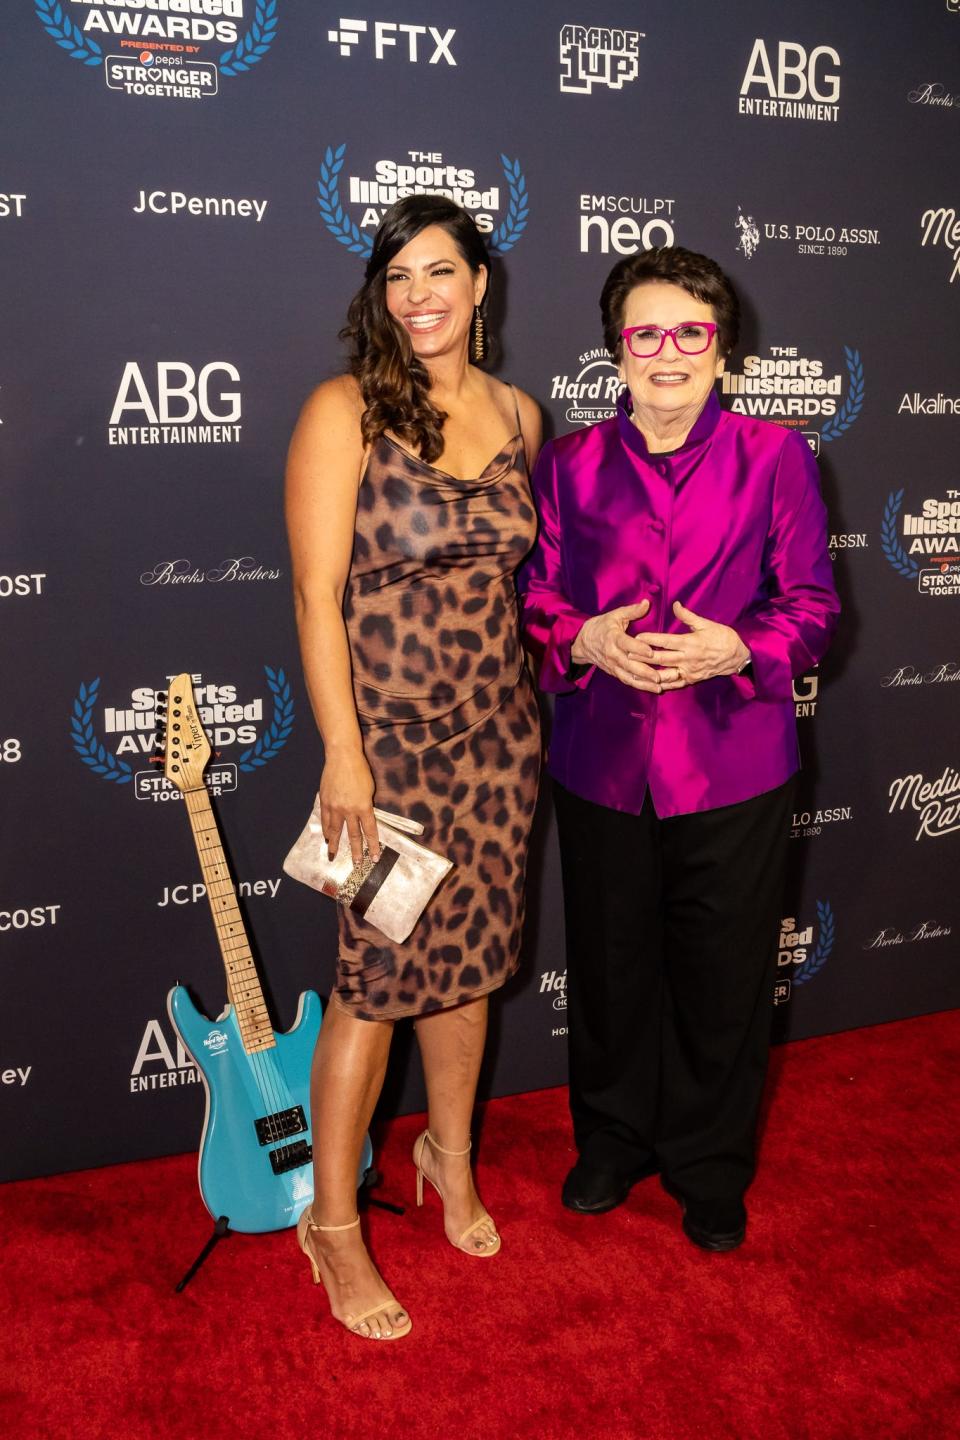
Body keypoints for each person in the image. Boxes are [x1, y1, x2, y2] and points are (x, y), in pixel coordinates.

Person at [520, 246, 839, 1251]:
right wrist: (583, 637)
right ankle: (612, 1142)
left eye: (689, 332)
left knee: (725, 975)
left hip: (733, 761)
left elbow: (814, 606)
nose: (667, 352)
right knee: (611, 970)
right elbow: (537, 599)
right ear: (618, 351)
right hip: (601, 764)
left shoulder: (777, 457)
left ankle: (709, 1163)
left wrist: (741, 646)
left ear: (721, 347)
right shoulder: (567, 465)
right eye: (645, 332)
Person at [285, 195, 541, 1338]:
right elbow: (314, 595)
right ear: (380, 294)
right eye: (399, 277)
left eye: (442, 271)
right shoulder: (345, 411)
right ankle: (332, 1227)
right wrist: (344, 754)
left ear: (481, 283)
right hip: (385, 746)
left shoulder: (524, 414)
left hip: (501, 738)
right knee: (374, 984)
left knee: (476, 965)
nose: (421, 294)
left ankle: (448, 1154)